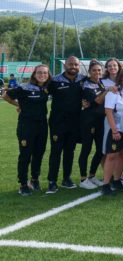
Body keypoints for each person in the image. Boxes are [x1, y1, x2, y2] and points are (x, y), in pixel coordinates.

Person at [3, 64, 51, 196]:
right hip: (26, 126)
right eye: (39, 72)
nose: (42, 75)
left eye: (45, 73)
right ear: (34, 74)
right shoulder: (24, 87)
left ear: (48, 75)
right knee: (25, 155)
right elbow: (6, 96)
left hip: (42, 126)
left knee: (39, 154)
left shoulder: (47, 87)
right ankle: (23, 184)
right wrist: (19, 105)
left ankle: (34, 180)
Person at [46, 56, 84, 193]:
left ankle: (66, 178)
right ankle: (52, 181)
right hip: (58, 123)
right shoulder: (54, 80)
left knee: (69, 152)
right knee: (56, 152)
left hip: (74, 123)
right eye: (70, 64)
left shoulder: (83, 80)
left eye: (76, 64)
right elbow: (40, 93)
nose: (73, 67)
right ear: (65, 65)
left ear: (79, 66)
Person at [78, 60, 109, 189]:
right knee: (86, 149)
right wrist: (107, 91)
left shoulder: (100, 83)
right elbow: (96, 101)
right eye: (94, 70)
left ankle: (92, 175)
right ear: (89, 72)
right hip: (88, 121)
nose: (97, 72)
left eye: (99, 70)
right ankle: (83, 178)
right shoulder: (86, 85)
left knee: (101, 149)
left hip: (100, 121)